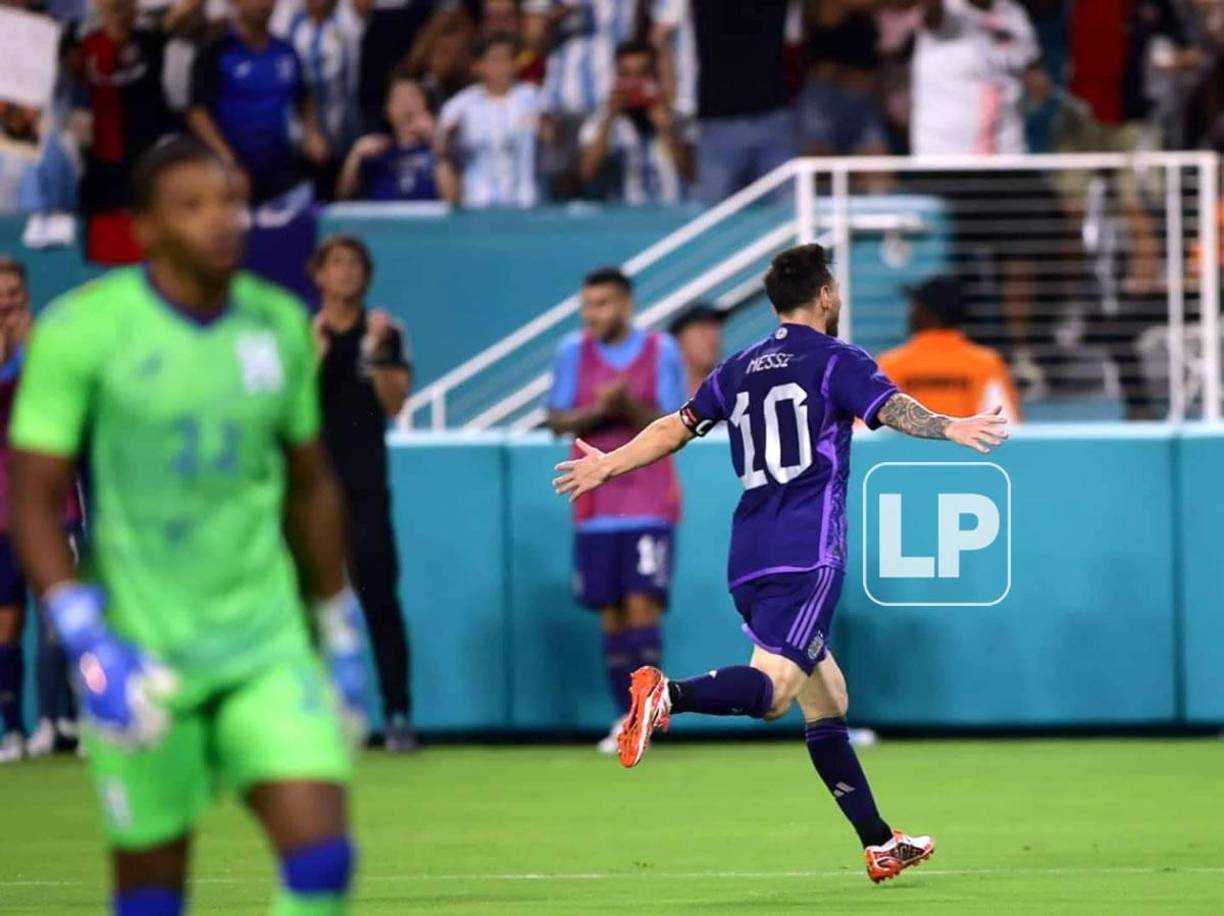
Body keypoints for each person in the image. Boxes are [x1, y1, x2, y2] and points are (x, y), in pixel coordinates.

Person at [552, 243, 1008, 881]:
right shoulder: (835, 359)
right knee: (773, 693)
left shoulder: (739, 367)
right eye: (837, 290)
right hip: (807, 550)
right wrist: (951, 426)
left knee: (829, 700)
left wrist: (607, 462)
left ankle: (878, 841)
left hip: (749, 553)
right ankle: (667, 694)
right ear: (825, 295)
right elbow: (892, 409)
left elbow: (675, 427)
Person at [9, 137, 365, 914]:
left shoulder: (276, 325)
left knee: (323, 852)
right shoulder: (84, 331)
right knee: (151, 891)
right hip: (143, 652)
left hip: (263, 646)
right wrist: (81, 631)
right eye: (192, 206)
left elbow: (310, 488)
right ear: (144, 228)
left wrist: (336, 626)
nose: (220, 222)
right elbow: (32, 494)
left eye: (227, 202)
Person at [546, 267, 685, 754]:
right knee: (610, 611)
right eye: (587, 305)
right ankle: (621, 718)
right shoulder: (571, 352)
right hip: (594, 502)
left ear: (626, 304)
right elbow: (556, 417)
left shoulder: (661, 350)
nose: (593, 315)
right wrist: (598, 411)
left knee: (642, 602)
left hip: (648, 497)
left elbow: (677, 423)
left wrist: (628, 406)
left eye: (603, 304)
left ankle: (648, 716)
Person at [310, 235, 417, 753]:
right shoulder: (300, 335)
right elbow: (288, 411)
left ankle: (397, 714)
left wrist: (376, 355)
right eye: (337, 263)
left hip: (367, 490)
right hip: (310, 495)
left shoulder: (386, 332)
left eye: (356, 263)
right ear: (319, 274)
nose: (347, 272)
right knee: (309, 607)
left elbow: (396, 405)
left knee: (380, 604)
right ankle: (312, 717)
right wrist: (312, 355)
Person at [187, 0, 330, 205]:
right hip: (232, 175)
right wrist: (228, 163)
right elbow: (197, 113)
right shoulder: (216, 50)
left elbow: (303, 97)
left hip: (280, 169)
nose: (264, 3)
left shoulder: (285, 51)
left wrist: (312, 133)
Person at [658, 0, 797, 204]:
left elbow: (796, 39)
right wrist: (672, 96)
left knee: (788, 218)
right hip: (719, 121)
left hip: (773, 115)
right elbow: (661, 35)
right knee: (716, 221)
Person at [878, 276, 1022, 422]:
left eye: (916, 305)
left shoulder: (892, 363)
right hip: (969, 445)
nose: (911, 312)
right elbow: (1005, 427)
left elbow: (866, 430)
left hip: (905, 445)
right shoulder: (986, 363)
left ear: (928, 313)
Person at [578, 39, 693, 204]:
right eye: (626, 74)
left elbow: (693, 174)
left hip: (676, 215)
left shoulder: (680, 119)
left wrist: (667, 130)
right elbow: (587, 173)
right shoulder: (600, 121)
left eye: (642, 73)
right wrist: (609, 120)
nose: (635, 82)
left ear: (656, 75)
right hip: (625, 220)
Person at [436, 32, 540, 209]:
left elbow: (554, 146)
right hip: (477, 202)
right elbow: (442, 152)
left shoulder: (533, 98)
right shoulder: (459, 107)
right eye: (495, 60)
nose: (503, 67)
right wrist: (448, 140)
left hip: (526, 202)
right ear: (477, 66)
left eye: (508, 59)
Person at [275, 0, 365, 198]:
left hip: (343, 137)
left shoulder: (347, 20)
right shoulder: (287, 21)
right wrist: (307, 133)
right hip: (295, 141)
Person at [337, 71, 441, 202]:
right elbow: (344, 196)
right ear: (387, 111)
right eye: (398, 98)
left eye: (413, 96)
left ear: (427, 104)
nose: (406, 104)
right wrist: (355, 156)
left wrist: (437, 138)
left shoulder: (438, 148)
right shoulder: (376, 152)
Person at [667, 303, 723, 397]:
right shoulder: (663, 400)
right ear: (679, 340)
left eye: (715, 330)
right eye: (703, 331)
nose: (713, 339)